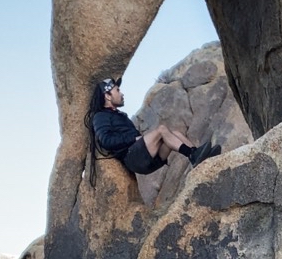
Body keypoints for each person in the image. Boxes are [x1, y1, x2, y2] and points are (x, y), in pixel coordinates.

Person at [85, 78, 220, 183]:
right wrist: (134, 139)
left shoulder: (119, 115)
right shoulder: (100, 116)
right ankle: (193, 155)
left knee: (176, 134)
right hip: (133, 158)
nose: (122, 93)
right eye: (117, 90)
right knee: (161, 130)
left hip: (145, 158)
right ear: (108, 96)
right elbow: (106, 141)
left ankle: (200, 159)